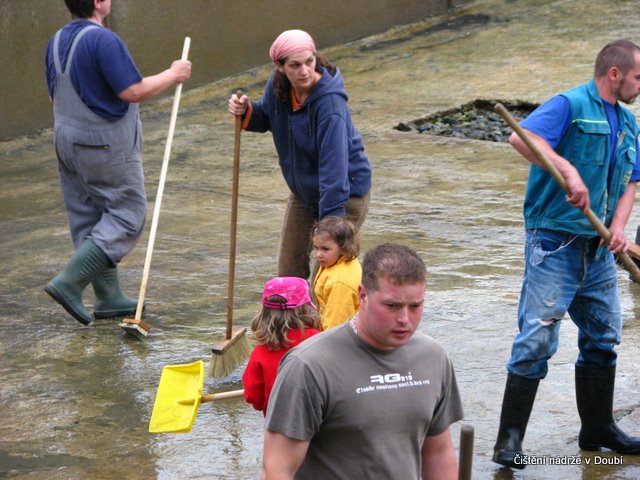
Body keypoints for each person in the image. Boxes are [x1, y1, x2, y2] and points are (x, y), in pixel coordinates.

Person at [493, 39, 640, 470]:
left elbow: (632, 181)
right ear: (615, 73)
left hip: (597, 251)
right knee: (536, 340)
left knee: (604, 335)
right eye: (638, 77)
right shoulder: (570, 104)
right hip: (554, 243)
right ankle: (509, 443)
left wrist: (617, 227)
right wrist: (568, 171)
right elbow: (522, 139)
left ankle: (597, 430)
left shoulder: (629, 123)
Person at [44, 0, 192, 325]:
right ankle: (70, 281)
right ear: (98, 2)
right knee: (127, 215)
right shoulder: (103, 39)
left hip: (66, 139)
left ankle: (109, 297)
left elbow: (55, 97)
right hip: (102, 142)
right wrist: (173, 73)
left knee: (88, 215)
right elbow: (133, 91)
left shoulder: (56, 41)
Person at [261, 243, 463, 479]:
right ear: (363, 296)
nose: (404, 319)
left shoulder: (433, 357)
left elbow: (438, 453)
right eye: (392, 306)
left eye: (415, 306)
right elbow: (276, 470)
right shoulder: (308, 366)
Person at [227, 29, 372, 281]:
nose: (304, 71)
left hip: (344, 195)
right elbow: (267, 118)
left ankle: (327, 321)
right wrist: (246, 110)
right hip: (305, 192)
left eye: (309, 62)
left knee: (325, 277)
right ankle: (290, 321)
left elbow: (334, 169)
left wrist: (331, 227)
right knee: (288, 272)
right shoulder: (278, 84)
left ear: (315, 58)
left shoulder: (330, 105)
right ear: (280, 66)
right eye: (295, 65)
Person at [242, 277, 321, 416]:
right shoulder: (318, 340)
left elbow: (253, 397)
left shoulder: (260, 353)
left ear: (264, 313)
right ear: (305, 308)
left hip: (279, 426)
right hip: (320, 421)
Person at [311, 216, 361, 330]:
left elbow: (336, 326)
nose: (318, 254)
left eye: (325, 249)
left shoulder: (340, 283)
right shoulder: (335, 261)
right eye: (316, 248)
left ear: (344, 248)